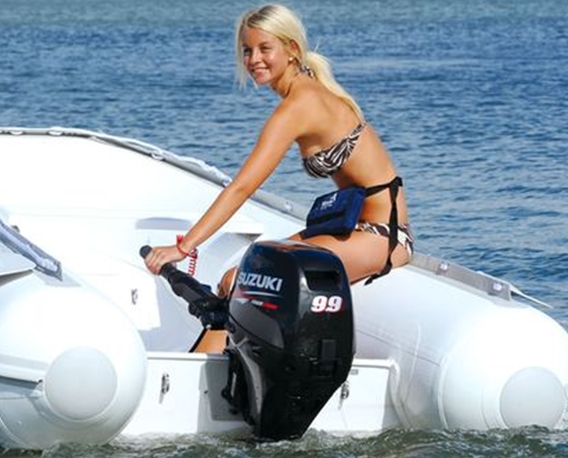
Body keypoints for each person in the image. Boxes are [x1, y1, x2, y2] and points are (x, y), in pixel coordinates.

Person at [144, 4, 413, 351]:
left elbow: (242, 186)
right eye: (247, 50)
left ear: (292, 50)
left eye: (264, 48)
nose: (254, 59)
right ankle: (213, 365)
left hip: (383, 237)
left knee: (241, 281)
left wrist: (183, 248)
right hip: (349, 229)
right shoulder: (305, 92)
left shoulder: (300, 105)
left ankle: (205, 371)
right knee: (234, 280)